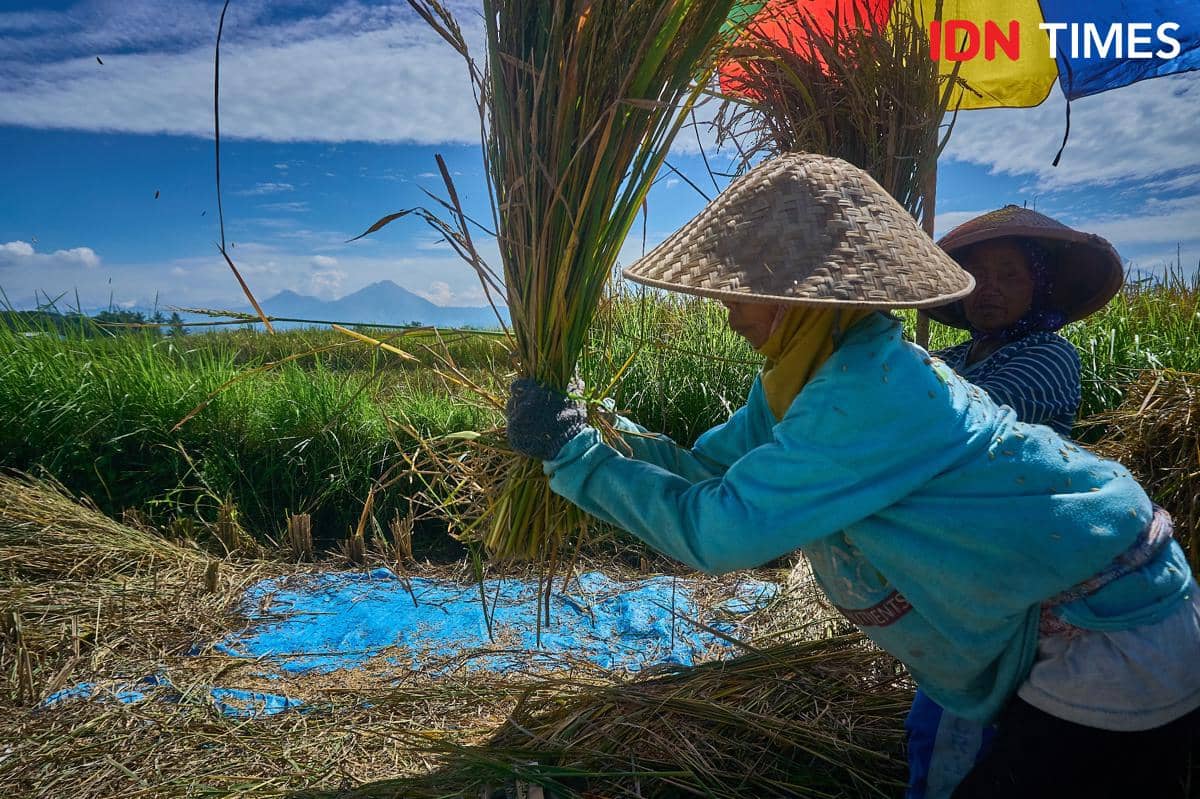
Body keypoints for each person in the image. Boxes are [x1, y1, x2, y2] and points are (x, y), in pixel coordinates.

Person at [503, 154, 1200, 798]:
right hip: (1038, 623)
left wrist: (576, 459)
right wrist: (597, 434)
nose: (729, 311)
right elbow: (713, 469)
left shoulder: (867, 391)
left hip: (1114, 632)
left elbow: (718, 530)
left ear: (798, 296)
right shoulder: (801, 376)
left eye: (741, 291)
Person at [904, 207, 1128, 798]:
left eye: (1010, 275)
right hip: (965, 566)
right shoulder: (952, 359)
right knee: (945, 703)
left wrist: (897, 379)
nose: (991, 289)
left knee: (970, 725)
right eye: (977, 275)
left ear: (1040, 287)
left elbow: (957, 426)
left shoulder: (1048, 359)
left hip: (1022, 563)